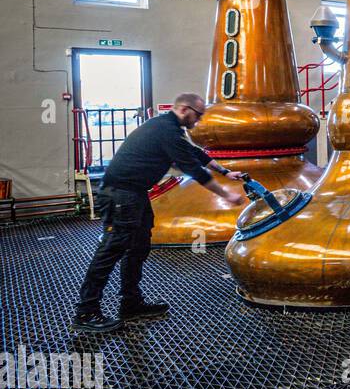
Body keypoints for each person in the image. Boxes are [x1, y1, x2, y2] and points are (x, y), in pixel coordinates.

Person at [73, 93, 246, 333]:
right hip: (120, 195)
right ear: (185, 110)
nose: (199, 120)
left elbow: (195, 154)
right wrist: (227, 195)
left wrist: (226, 172)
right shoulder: (166, 130)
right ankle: (86, 311)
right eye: (198, 115)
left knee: (138, 248)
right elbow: (194, 169)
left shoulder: (170, 128)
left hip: (134, 194)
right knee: (111, 251)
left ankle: (130, 303)